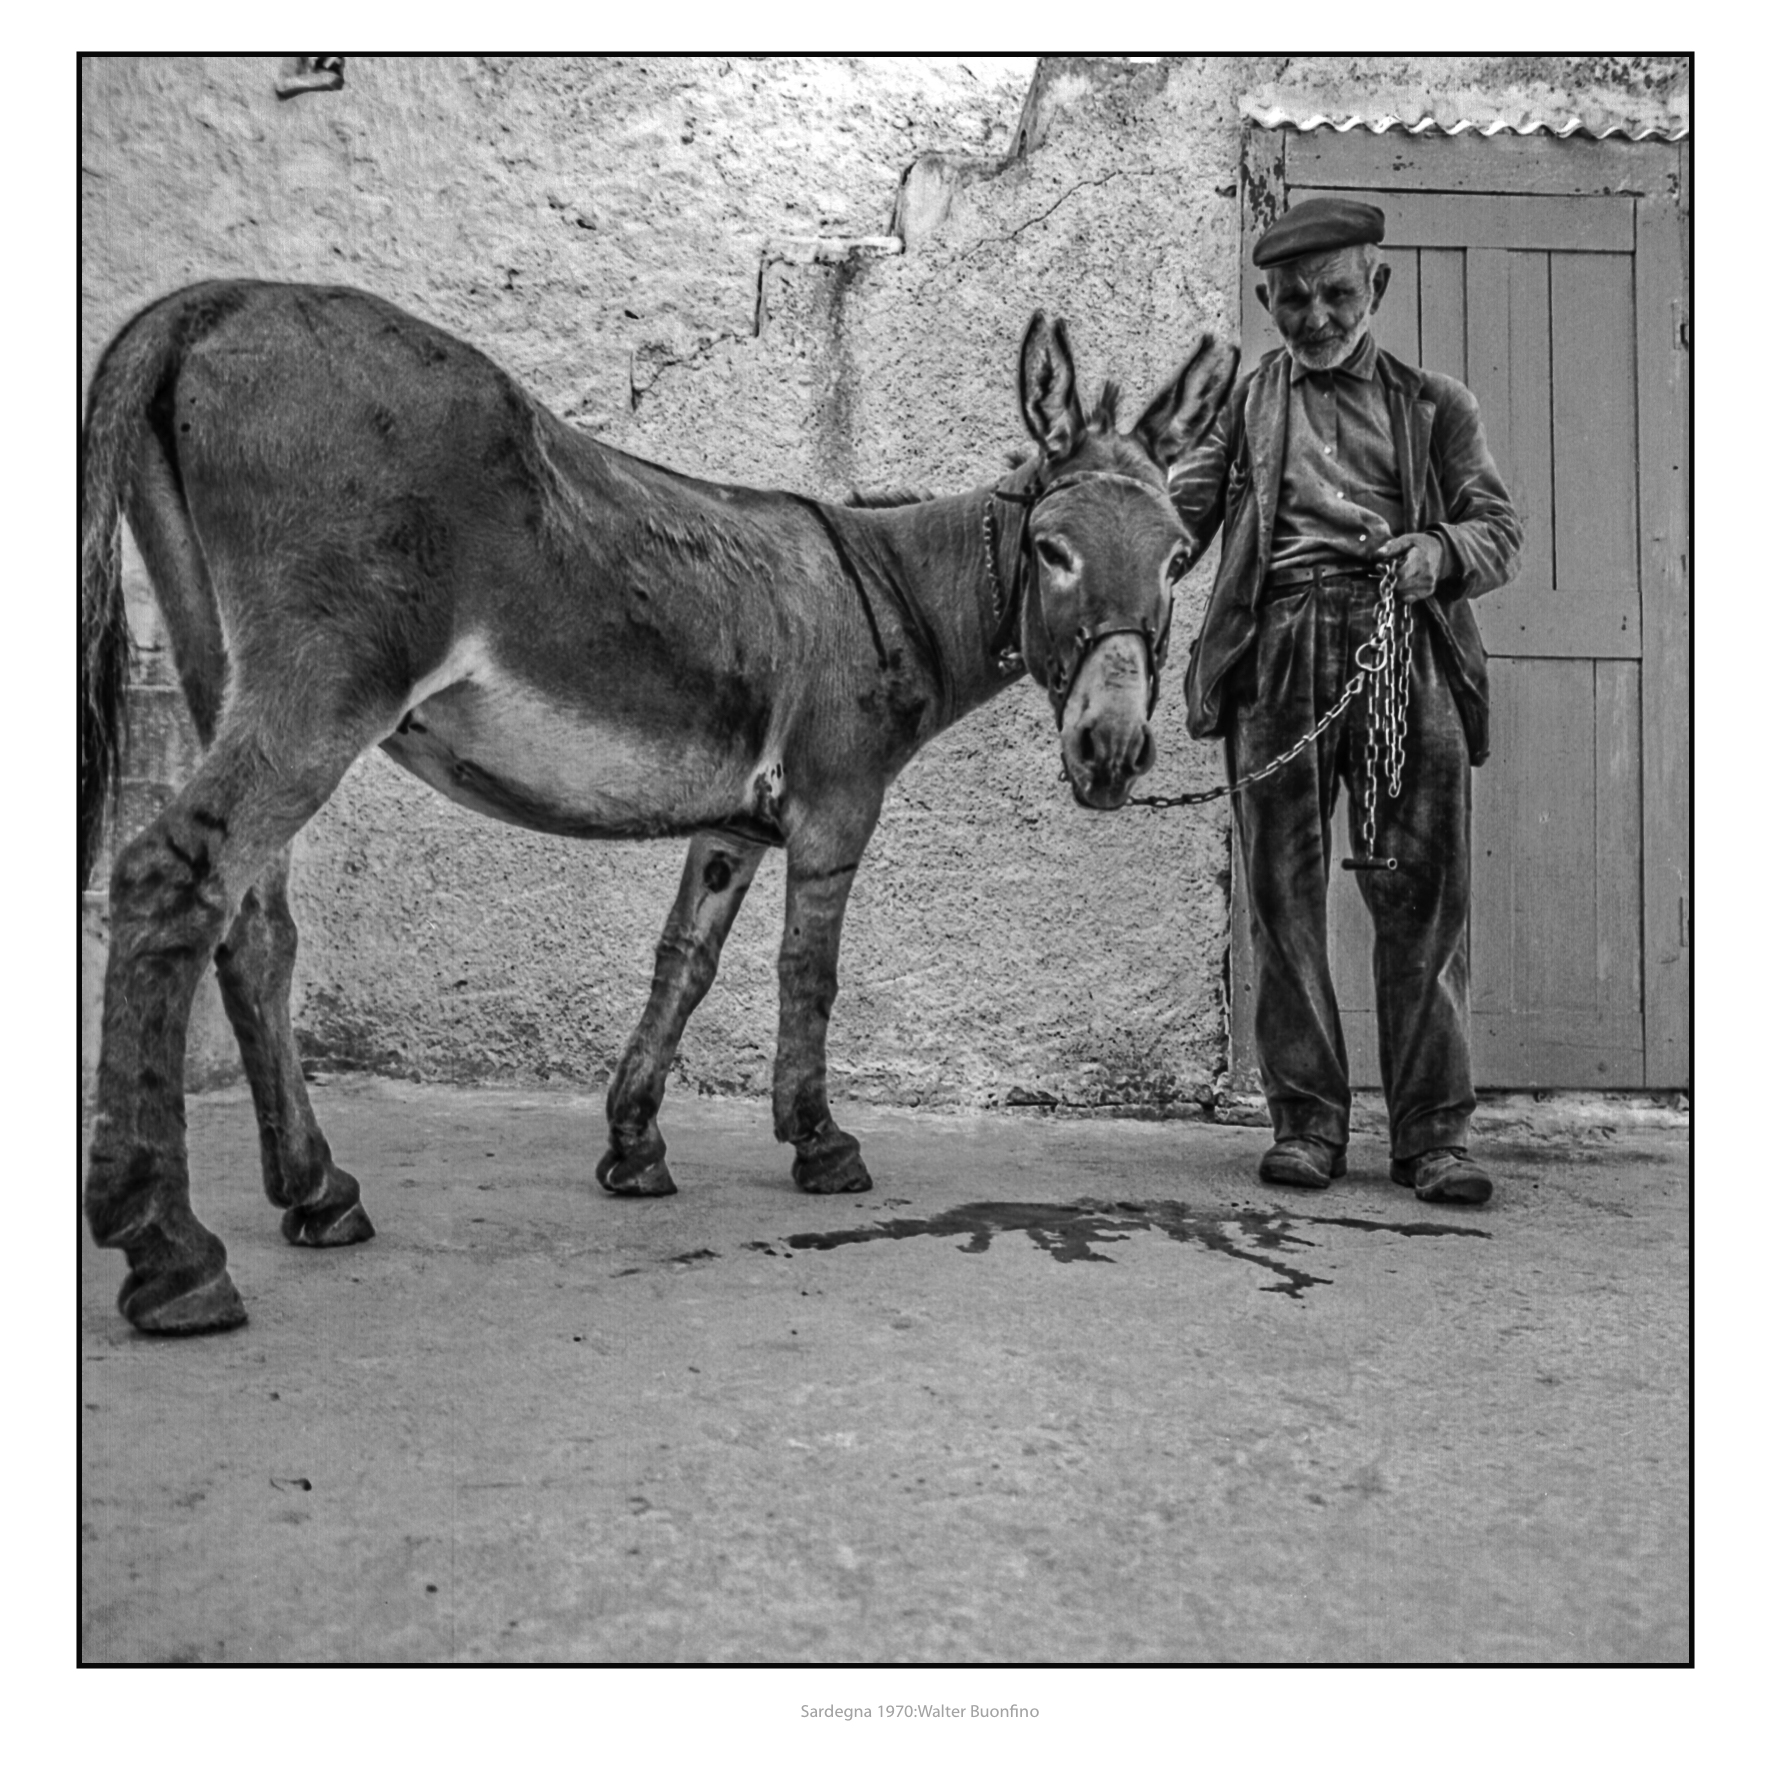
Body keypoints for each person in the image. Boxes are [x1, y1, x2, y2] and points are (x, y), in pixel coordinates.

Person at [1169, 196, 1522, 1204]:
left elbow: (1497, 526)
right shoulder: (1245, 402)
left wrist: (1437, 551)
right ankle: (1308, 1124)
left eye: (1332, 294)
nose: (1313, 318)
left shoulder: (1434, 404)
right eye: (1287, 301)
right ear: (1266, 300)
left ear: (1375, 285)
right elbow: (1181, 515)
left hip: (1401, 645)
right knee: (1282, 904)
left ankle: (1432, 1138)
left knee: (1424, 903)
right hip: (1276, 651)